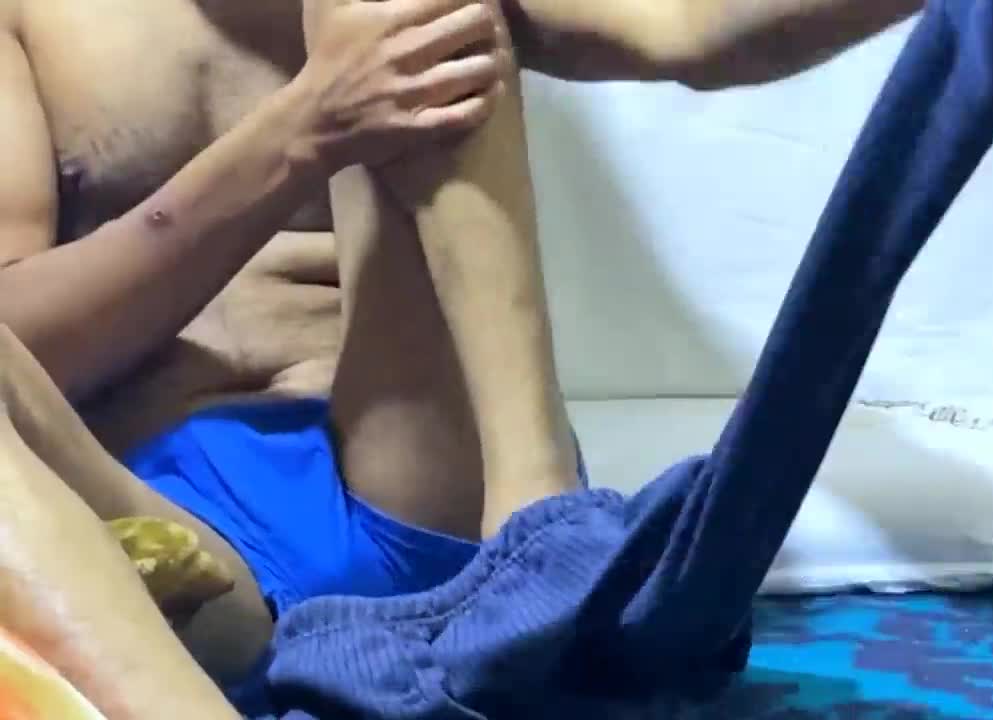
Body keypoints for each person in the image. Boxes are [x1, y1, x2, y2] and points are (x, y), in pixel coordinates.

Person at [0, 0, 918, 709]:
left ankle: (538, 525)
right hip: (168, 531)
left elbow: (691, 29)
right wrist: (301, 134)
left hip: (421, 477)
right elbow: (23, 342)